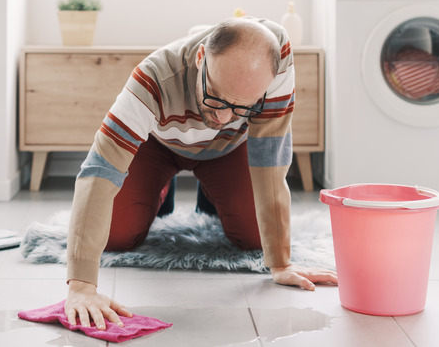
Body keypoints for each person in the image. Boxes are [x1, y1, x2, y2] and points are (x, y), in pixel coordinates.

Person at [64, 17, 338, 330]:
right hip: (158, 147)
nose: (222, 116)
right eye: (216, 97)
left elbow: (271, 158)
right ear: (200, 58)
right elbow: (99, 171)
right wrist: (81, 286)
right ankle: (160, 191)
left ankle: (210, 192)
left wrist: (280, 262)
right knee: (116, 236)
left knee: (253, 239)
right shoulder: (153, 78)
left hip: (227, 150)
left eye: (240, 107)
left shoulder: (276, 59)